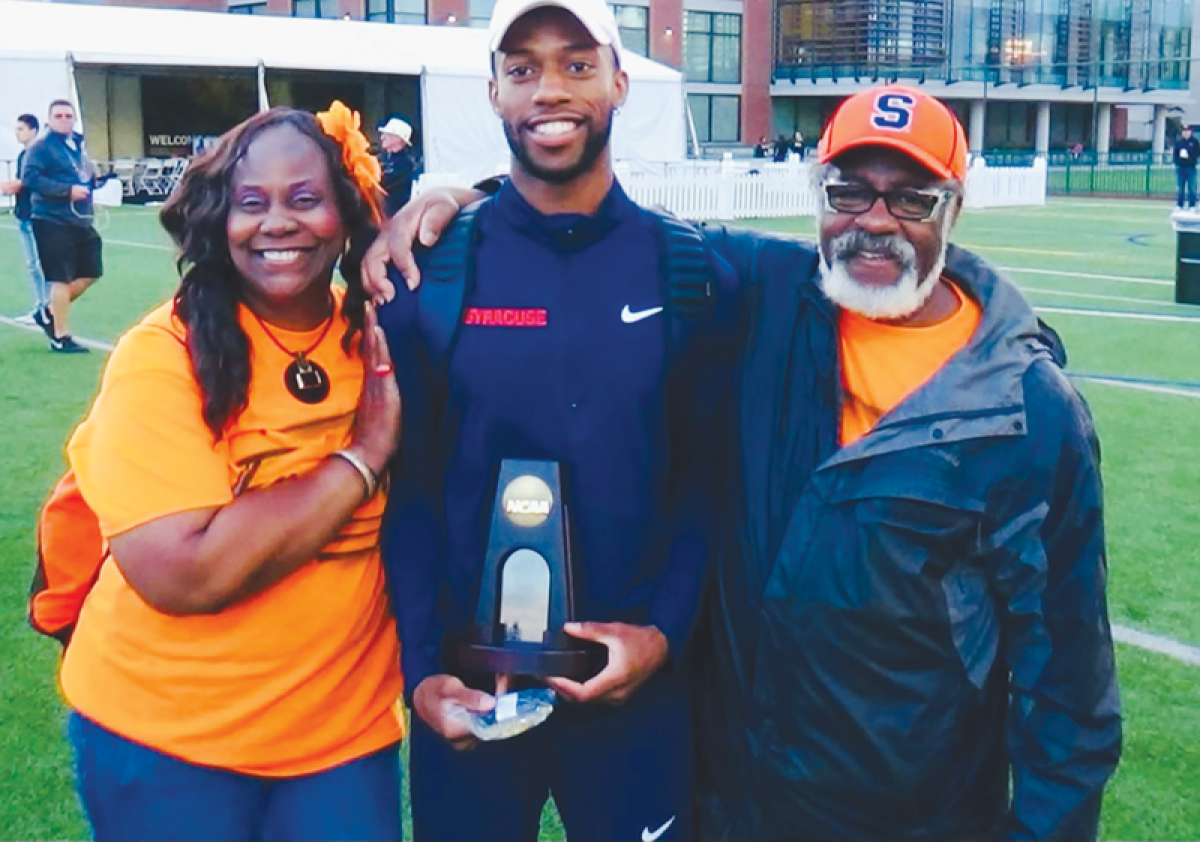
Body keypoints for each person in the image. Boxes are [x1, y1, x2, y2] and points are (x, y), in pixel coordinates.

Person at [368, 84, 1121, 841]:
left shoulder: (1025, 408)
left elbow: (1069, 696)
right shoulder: (764, 291)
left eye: (913, 199)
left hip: (912, 815)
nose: (874, 222)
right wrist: (468, 202)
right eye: (849, 192)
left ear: (954, 209)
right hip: (739, 803)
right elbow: (601, 226)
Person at [376, 0, 741, 842]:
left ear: (618, 80)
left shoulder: (689, 276)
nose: (551, 90)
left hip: (635, 704)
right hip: (473, 697)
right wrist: (424, 671)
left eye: (577, 63)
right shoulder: (431, 277)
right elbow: (412, 492)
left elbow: (705, 485)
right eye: (524, 67)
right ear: (494, 90)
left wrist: (660, 634)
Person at [57, 104, 405, 842]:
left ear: (346, 212)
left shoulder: (379, 334)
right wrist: (362, 459)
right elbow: (182, 571)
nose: (277, 221)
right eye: (252, 203)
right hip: (165, 741)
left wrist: (447, 197)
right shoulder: (163, 354)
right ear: (220, 220)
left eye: (305, 198)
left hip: (341, 744)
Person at [21, 99, 101, 353]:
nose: (65, 120)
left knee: (92, 270)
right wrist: (66, 191)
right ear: (50, 119)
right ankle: (60, 335)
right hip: (51, 219)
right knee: (60, 277)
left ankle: (47, 311)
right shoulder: (41, 147)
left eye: (69, 116)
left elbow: (82, 174)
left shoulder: (76, 145)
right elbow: (31, 178)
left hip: (79, 219)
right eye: (59, 116)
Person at [1, 113, 52, 329]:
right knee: (32, 265)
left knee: (41, 265)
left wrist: (17, 185)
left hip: (36, 215)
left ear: (33, 130)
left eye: (21, 129)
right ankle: (39, 307)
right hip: (24, 213)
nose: (17, 133)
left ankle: (47, 309)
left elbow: (36, 182)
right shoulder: (24, 154)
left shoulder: (39, 154)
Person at [377, 116, 420, 216]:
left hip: (397, 219)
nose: (382, 137)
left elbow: (384, 181)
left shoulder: (405, 164)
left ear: (398, 139)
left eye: (386, 135)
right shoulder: (384, 159)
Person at [1172, 123, 1199, 210]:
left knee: (1192, 187)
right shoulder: (1179, 142)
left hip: (1190, 167)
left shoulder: (1194, 142)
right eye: (1184, 131)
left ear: (1191, 132)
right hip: (1181, 167)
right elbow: (1175, 154)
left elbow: (1197, 153)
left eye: (1188, 131)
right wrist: (1177, 162)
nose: (1186, 133)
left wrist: (1190, 158)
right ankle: (1180, 204)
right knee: (1180, 187)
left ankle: (1192, 205)